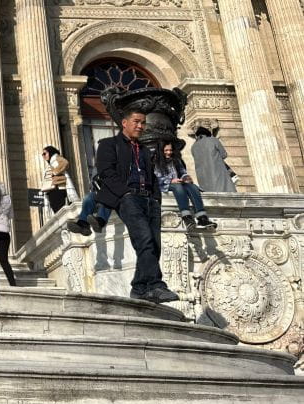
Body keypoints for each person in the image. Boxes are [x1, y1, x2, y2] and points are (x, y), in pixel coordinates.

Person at [94, 110, 178, 304]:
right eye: (136, 121)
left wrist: (156, 198)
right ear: (124, 123)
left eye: (143, 123)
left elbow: (152, 175)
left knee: (154, 244)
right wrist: (125, 193)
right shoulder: (108, 144)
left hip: (150, 200)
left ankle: (139, 288)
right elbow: (106, 172)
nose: (140, 126)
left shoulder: (145, 150)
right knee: (144, 239)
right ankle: (155, 285)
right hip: (129, 198)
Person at [155, 142, 217, 232]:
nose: (169, 152)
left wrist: (186, 178)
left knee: (193, 187)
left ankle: (202, 218)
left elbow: (183, 172)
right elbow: (155, 178)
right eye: (166, 150)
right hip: (163, 184)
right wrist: (170, 180)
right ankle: (187, 217)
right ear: (161, 151)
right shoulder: (155, 161)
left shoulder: (176, 160)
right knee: (178, 187)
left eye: (170, 150)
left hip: (178, 182)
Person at [191, 127, 237, 192]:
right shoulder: (213, 140)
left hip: (203, 177)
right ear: (207, 134)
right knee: (225, 190)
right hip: (218, 172)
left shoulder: (193, 147)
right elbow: (224, 155)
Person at [41, 146, 70, 213]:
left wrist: (55, 172)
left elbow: (65, 163)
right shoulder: (50, 163)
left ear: (50, 152)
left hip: (58, 187)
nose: (43, 156)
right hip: (51, 188)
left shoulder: (56, 157)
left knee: (59, 209)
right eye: (42, 154)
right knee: (55, 209)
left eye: (45, 153)